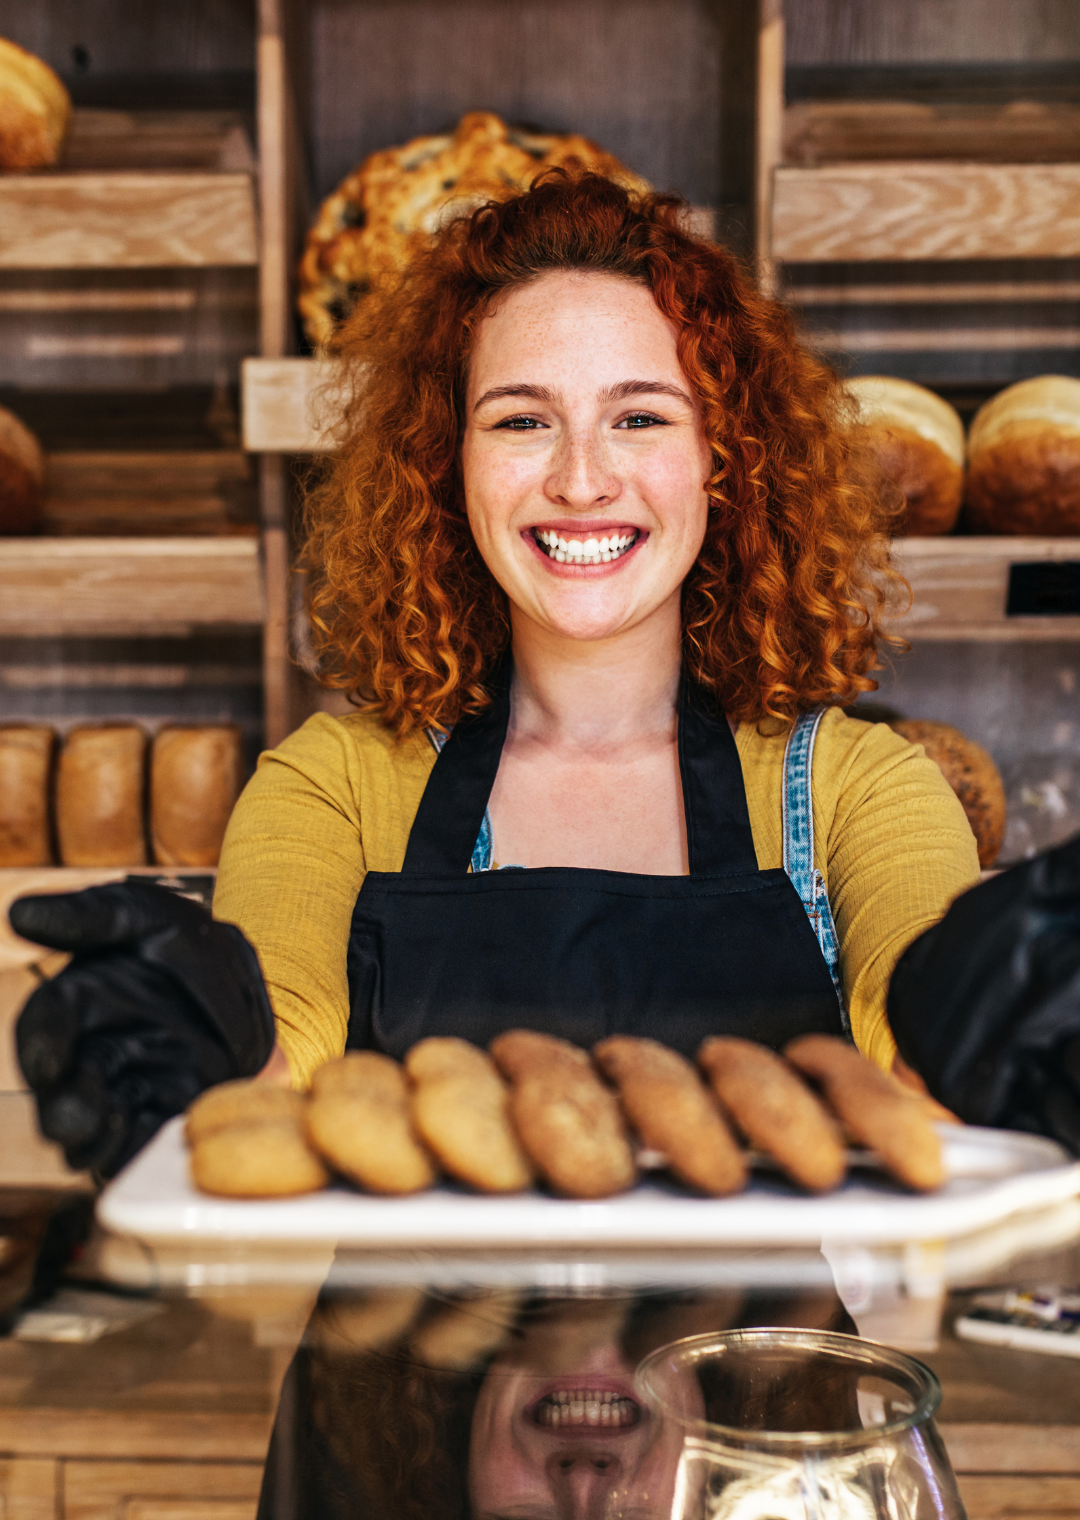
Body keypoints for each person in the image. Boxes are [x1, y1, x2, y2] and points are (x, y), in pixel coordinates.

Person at [13, 171, 1073, 1175]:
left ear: (725, 455)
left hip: (762, 1365)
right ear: (447, 464)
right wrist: (201, 1035)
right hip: (390, 1368)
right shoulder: (331, 783)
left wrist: (975, 1038)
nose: (579, 479)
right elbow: (282, 1067)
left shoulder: (858, 791)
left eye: (641, 416)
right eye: (521, 419)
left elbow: (915, 1078)